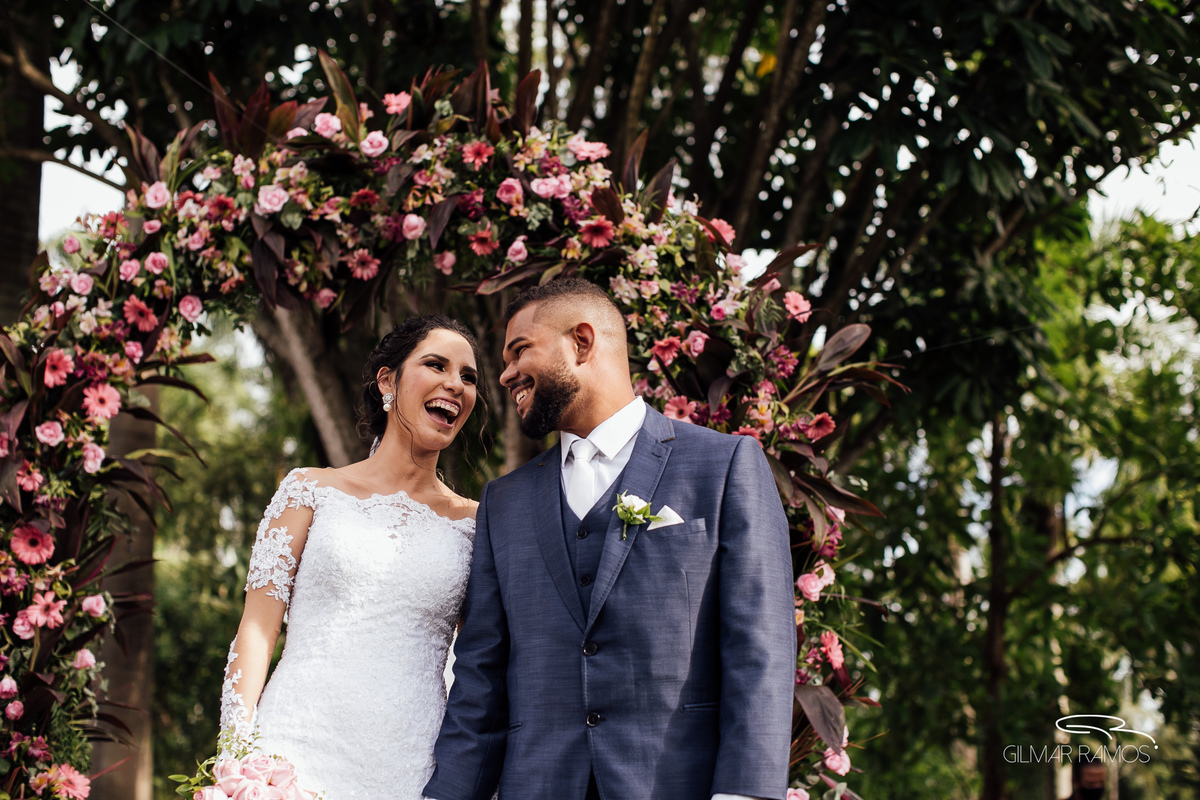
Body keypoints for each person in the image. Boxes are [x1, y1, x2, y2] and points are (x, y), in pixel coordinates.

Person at [424, 278, 796, 800]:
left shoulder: (724, 466)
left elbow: (760, 648)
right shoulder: (503, 503)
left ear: (581, 342)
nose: (504, 374)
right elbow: (480, 683)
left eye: (519, 350)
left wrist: (746, 794)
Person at [218, 314, 486, 799]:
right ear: (388, 379)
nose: (456, 384)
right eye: (436, 364)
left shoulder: (476, 524)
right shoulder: (309, 491)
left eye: (468, 377)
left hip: (412, 767)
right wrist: (235, 758)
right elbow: (257, 630)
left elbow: (477, 664)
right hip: (291, 754)